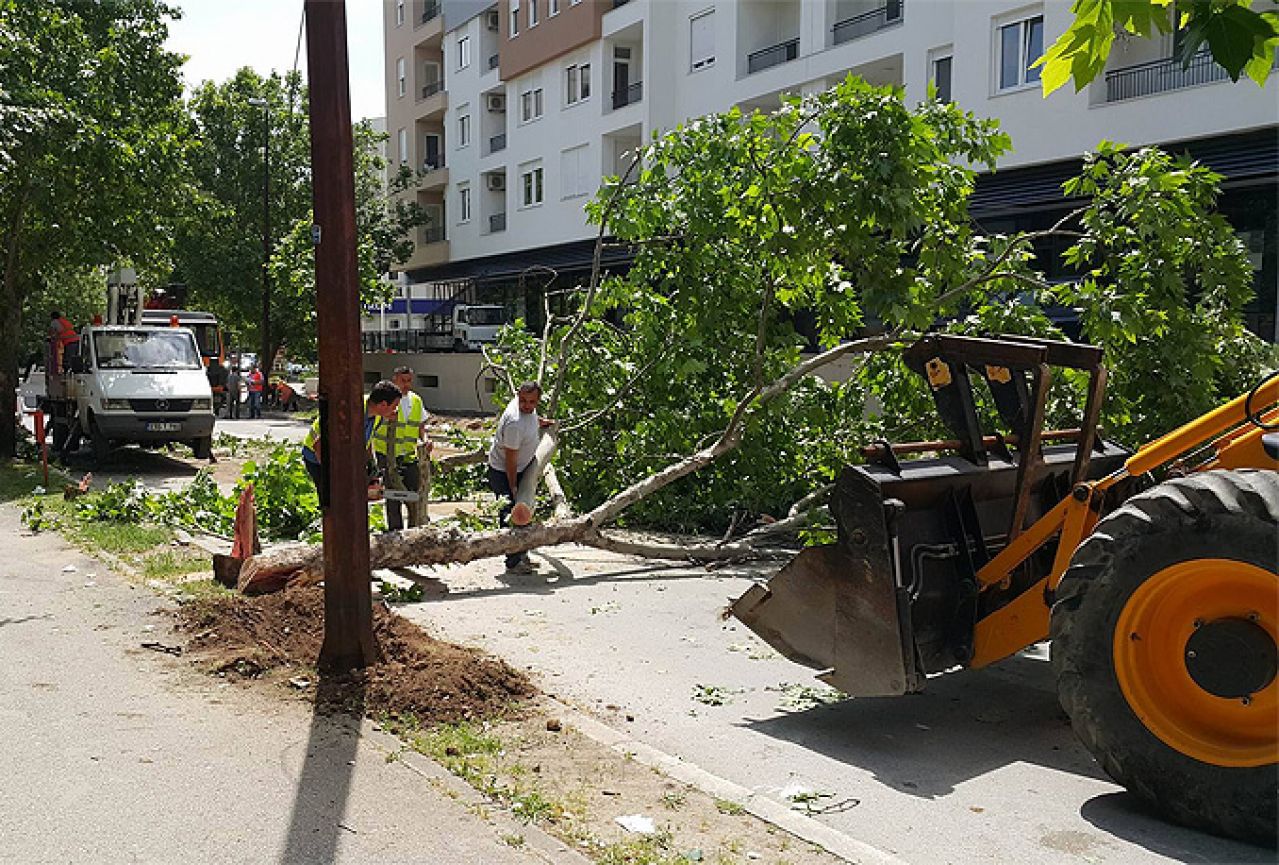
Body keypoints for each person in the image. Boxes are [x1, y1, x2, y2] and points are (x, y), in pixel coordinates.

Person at [487, 381, 555, 574]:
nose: (527, 405)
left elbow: (531, 418)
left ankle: (522, 555)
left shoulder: (529, 412)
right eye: (523, 401)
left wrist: (540, 422)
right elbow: (510, 460)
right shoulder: (514, 423)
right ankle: (513, 562)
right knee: (509, 514)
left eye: (532, 402)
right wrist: (513, 486)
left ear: (537, 400)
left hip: (521, 468)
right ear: (518, 395)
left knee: (526, 510)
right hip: (503, 472)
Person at [300, 380, 402, 498]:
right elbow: (319, 445)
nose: (395, 410)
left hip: (341, 457)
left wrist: (371, 469)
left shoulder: (376, 416)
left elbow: (366, 441)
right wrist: (335, 478)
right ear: (383, 405)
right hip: (317, 457)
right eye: (394, 406)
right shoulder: (351, 412)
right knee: (333, 501)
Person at [373, 366, 434, 531]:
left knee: (413, 494)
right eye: (403, 381)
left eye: (409, 381)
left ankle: (413, 530)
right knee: (392, 496)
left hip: (408, 455)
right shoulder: (386, 401)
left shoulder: (416, 400)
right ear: (395, 380)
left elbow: (421, 425)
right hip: (386, 455)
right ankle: (395, 532)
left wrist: (426, 440)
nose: (406, 385)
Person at [48, 310, 79, 375]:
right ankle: (72, 371)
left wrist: (51, 338)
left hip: (69, 341)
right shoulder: (64, 321)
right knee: (74, 358)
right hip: (76, 339)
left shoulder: (55, 322)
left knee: (68, 358)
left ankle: (67, 373)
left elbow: (53, 332)